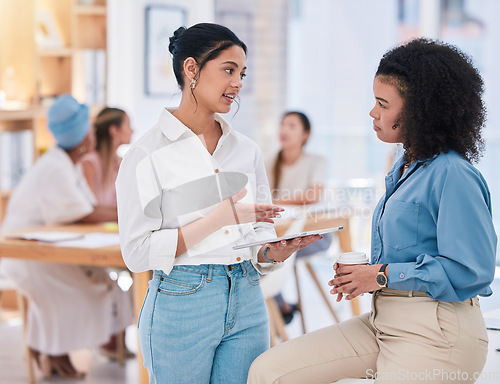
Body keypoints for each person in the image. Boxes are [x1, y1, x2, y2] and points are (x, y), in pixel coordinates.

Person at [247, 38, 497, 384]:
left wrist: (380, 275)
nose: (372, 113)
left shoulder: (453, 174)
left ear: (420, 110)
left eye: (383, 103)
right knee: (268, 372)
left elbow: (473, 271)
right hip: (385, 321)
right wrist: (365, 275)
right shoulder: (406, 168)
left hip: (437, 333)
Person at [115, 23, 321, 384]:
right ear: (191, 69)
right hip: (183, 300)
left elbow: (258, 229)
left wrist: (272, 252)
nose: (238, 82)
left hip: (247, 296)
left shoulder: (246, 150)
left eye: (242, 73)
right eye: (228, 69)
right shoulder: (146, 155)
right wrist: (219, 219)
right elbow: (136, 253)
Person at [0, 95, 134, 379]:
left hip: (45, 246)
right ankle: (51, 351)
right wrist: (132, 213)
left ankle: (56, 351)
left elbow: (86, 208)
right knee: (86, 293)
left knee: (104, 286)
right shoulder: (56, 166)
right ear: (82, 135)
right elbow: (85, 213)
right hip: (27, 253)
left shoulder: (65, 162)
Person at [79, 106, 134, 359]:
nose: (131, 131)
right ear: (114, 131)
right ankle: (113, 339)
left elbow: (131, 204)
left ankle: (121, 337)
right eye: (127, 125)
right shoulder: (90, 164)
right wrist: (121, 215)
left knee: (144, 269)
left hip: (115, 238)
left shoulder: (122, 164)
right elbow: (88, 210)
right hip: (91, 243)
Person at [267, 111, 332, 323]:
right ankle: (281, 306)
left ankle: (280, 307)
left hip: (313, 236)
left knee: (265, 255)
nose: (284, 130)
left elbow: (313, 195)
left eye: (292, 126)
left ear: (305, 134)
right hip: (279, 233)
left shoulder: (316, 161)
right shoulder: (270, 163)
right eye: (283, 124)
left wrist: (277, 203)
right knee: (261, 253)